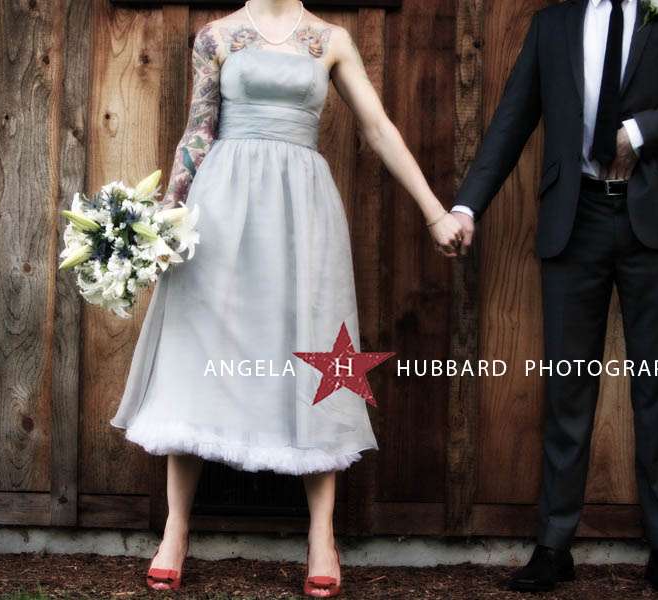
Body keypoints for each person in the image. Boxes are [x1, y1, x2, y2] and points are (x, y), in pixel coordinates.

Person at [110, 0, 464, 596]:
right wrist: (166, 220)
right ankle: (175, 528)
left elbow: (378, 127)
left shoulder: (332, 40)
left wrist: (434, 211)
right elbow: (198, 131)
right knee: (196, 350)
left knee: (318, 346)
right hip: (220, 208)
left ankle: (322, 536)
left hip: (302, 208)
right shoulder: (216, 36)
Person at [449, 0, 658, 597]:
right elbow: (512, 119)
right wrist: (468, 204)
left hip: (655, 220)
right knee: (567, 388)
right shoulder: (552, 24)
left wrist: (641, 131)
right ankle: (553, 546)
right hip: (574, 219)